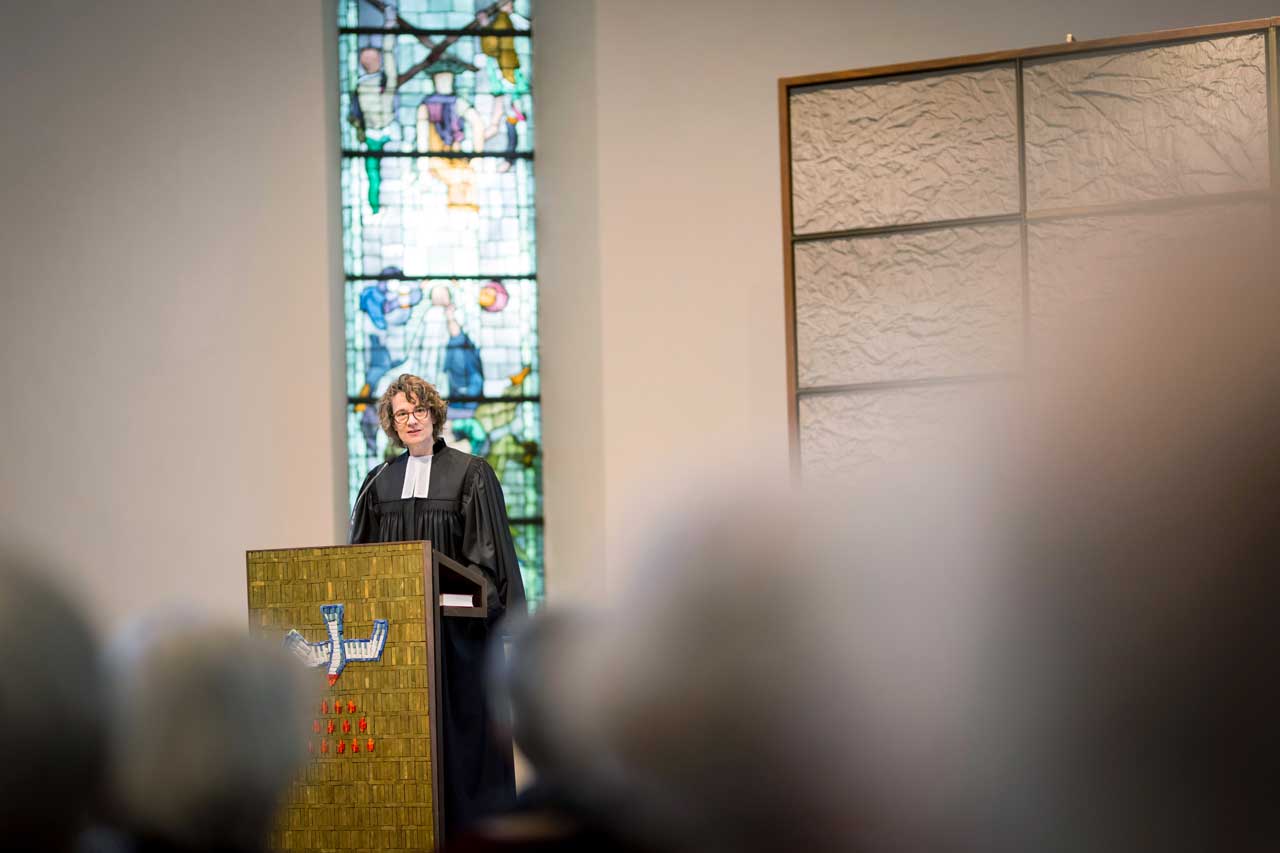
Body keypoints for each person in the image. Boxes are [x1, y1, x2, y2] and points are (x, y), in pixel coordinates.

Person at [349, 373, 525, 839]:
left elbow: (488, 566)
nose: (411, 421)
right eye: (401, 414)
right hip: (397, 644)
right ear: (391, 422)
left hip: (456, 642)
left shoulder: (471, 473)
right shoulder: (378, 483)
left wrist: (447, 602)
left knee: (457, 747)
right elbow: (359, 566)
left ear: (434, 414)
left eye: (418, 410)